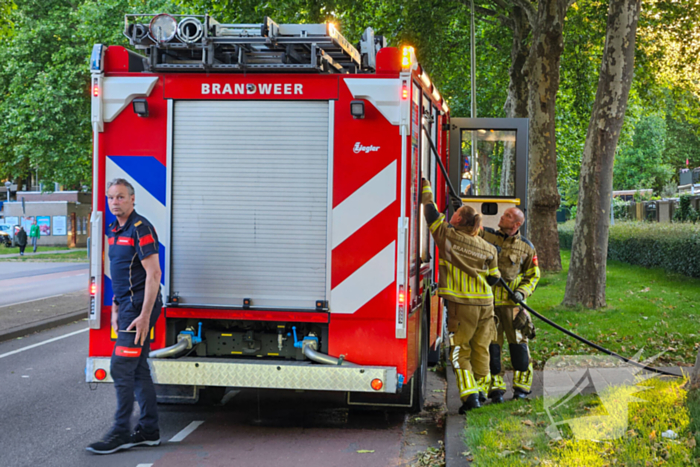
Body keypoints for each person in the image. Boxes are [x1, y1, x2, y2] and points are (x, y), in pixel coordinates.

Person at [87, 178, 162, 455]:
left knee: (120, 367)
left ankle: (120, 432)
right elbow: (121, 271)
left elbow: (154, 274)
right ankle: (149, 431)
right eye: (111, 197)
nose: (114, 202)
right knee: (138, 368)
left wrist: (144, 316)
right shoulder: (113, 229)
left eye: (120, 197)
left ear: (132, 199)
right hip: (127, 306)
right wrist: (116, 305)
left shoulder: (141, 229)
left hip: (140, 307)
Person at [421, 179, 500, 413]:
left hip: (462, 305)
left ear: (457, 220)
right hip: (486, 304)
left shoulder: (448, 236)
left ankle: (470, 397)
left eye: (454, 214)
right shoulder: (489, 248)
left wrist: (426, 187)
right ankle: (481, 391)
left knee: (459, 351)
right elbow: (494, 278)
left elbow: (431, 213)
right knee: (481, 349)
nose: (451, 216)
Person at [480, 207, 540, 403]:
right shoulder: (487, 236)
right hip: (489, 304)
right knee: (492, 347)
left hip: (513, 306)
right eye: (504, 214)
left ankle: (521, 388)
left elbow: (533, 275)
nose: (502, 217)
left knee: (519, 347)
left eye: (508, 216)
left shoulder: (526, 248)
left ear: (516, 224)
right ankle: (495, 388)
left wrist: (522, 292)